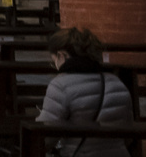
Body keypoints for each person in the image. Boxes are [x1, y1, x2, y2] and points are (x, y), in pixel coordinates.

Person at [35, 27, 134, 157]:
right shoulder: (117, 83)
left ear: (61, 55)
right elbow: (129, 135)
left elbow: (46, 137)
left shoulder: (60, 85)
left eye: (54, 61)